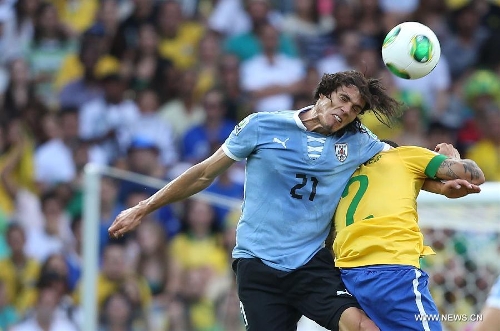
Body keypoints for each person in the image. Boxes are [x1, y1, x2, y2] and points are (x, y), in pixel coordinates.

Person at [109, 70, 402, 331]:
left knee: (364, 326)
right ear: (324, 93)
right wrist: (143, 207)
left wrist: (447, 170)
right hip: (259, 266)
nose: (346, 110)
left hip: (310, 264)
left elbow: (404, 161)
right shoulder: (262, 125)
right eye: (342, 99)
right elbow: (203, 174)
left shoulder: (358, 139)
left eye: (355, 109)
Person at [331, 140, 485, 331]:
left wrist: (437, 187)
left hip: (347, 275)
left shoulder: (347, 174)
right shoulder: (402, 155)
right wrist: (452, 157)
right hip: (392, 270)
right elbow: (475, 175)